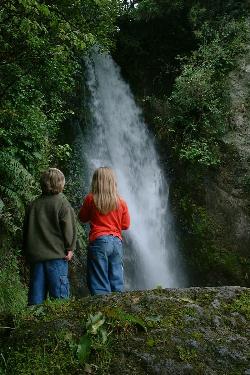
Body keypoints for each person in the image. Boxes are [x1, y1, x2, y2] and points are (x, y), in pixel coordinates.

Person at [23, 168, 77, 305]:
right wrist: (70, 248)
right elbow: (69, 229)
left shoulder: (32, 205)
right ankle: (60, 325)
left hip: (36, 258)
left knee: (36, 297)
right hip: (57, 257)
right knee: (59, 297)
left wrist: (27, 253)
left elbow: (26, 231)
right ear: (61, 184)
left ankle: (32, 323)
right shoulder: (63, 204)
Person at [79, 167, 130, 295]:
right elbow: (126, 225)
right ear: (113, 182)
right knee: (116, 276)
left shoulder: (91, 199)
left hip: (99, 241)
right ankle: (118, 305)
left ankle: (102, 309)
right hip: (117, 242)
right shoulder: (121, 202)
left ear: (96, 181)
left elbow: (82, 217)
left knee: (99, 278)